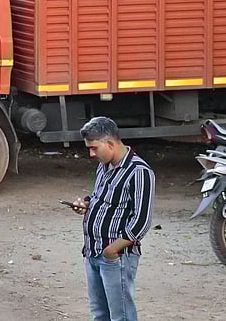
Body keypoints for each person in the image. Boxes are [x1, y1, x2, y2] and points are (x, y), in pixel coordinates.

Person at [69, 117, 155, 321]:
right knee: (100, 314)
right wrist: (86, 204)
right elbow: (101, 196)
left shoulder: (139, 172)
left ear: (110, 144)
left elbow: (142, 220)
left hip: (116, 256)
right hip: (92, 250)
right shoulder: (104, 165)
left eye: (94, 148)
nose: (91, 154)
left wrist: (112, 250)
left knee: (121, 316)